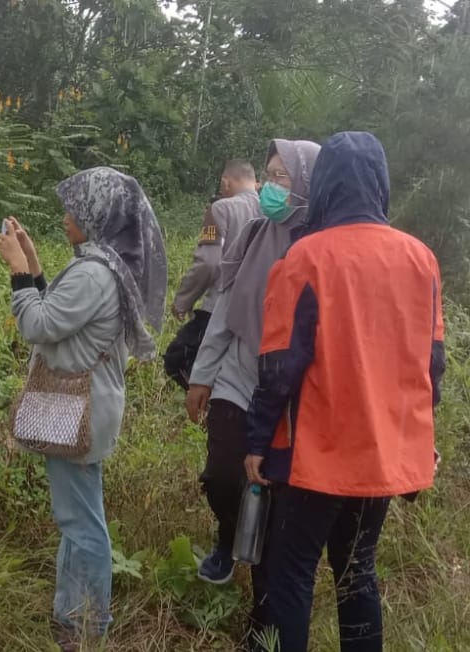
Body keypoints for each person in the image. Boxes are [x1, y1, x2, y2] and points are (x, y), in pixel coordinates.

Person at [245, 132, 444, 652]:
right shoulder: (421, 261)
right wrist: (419, 439)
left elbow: (278, 367)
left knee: (292, 575)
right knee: (358, 573)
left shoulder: (305, 258)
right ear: (380, 182)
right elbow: (432, 367)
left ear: (326, 183)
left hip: (313, 453)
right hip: (380, 454)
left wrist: (256, 441)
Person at [0, 167, 166, 649]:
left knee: (83, 523)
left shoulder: (93, 272)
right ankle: (72, 614)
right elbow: (63, 311)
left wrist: (16, 272)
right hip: (84, 402)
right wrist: (31, 262)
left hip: (78, 405)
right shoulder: (102, 266)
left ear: (98, 216)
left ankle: (88, 624)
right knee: (76, 516)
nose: (66, 215)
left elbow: (39, 323)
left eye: (76, 208)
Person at [186, 140, 320, 587]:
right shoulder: (254, 233)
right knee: (222, 471)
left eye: (283, 177)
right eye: (269, 176)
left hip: (290, 386)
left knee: (275, 482)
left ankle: (264, 559)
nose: (271, 188)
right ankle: (228, 539)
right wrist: (202, 375)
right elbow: (226, 307)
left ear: (307, 183)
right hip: (239, 368)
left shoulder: (320, 244)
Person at [163, 160, 260, 389]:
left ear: (226, 181)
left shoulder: (220, 209)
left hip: (219, 307)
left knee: (177, 359)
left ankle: (207, 411)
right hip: (256, 312)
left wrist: (183, 301)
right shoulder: (270, 210)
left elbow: (208, 262)